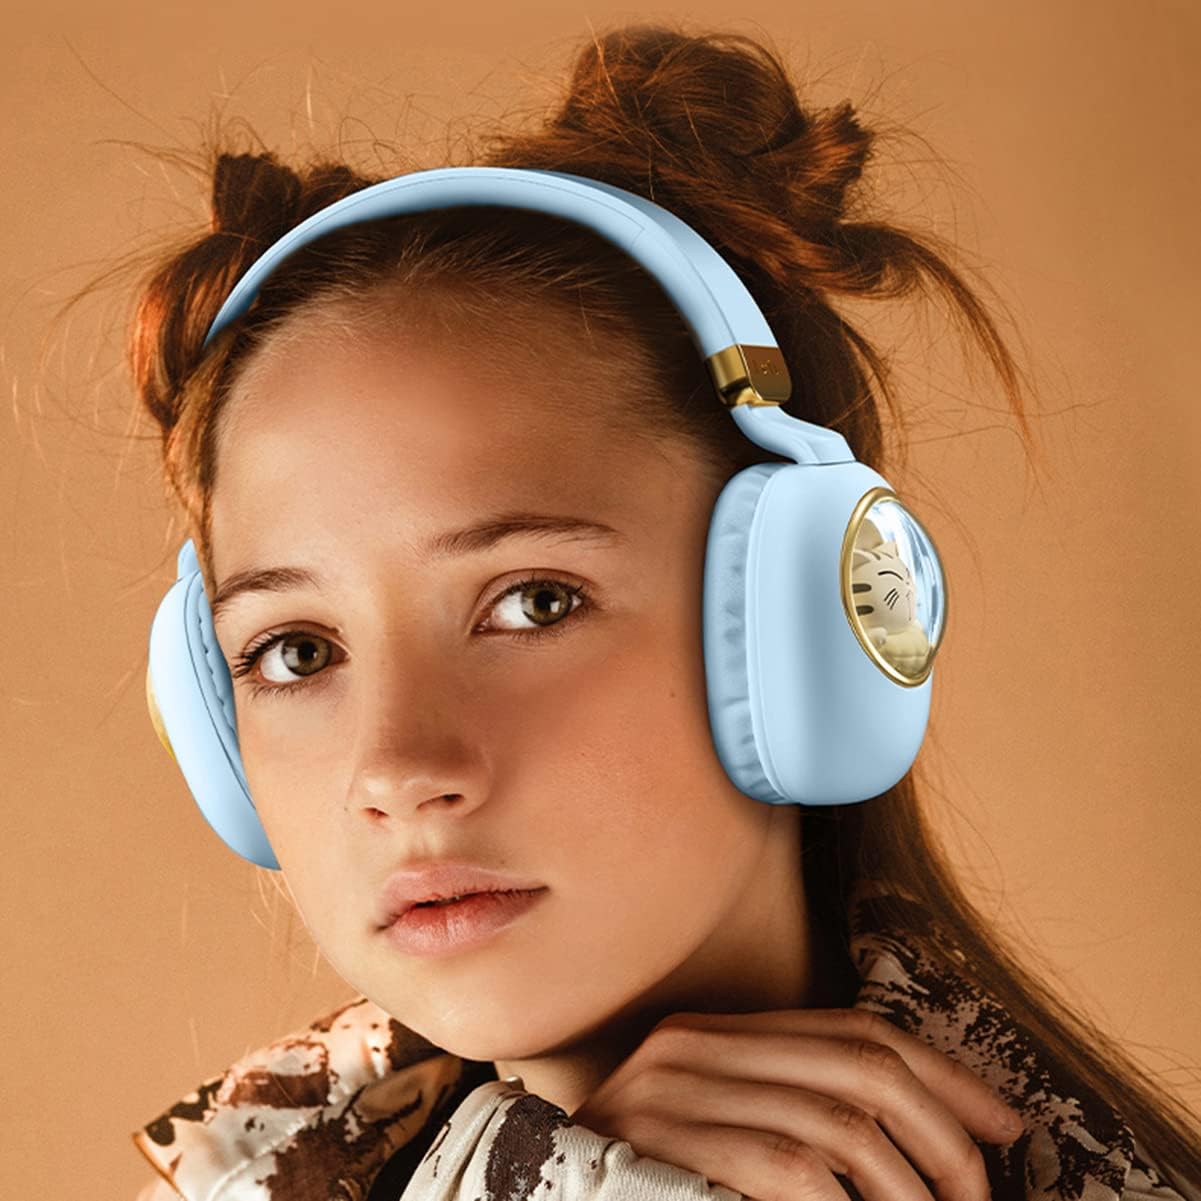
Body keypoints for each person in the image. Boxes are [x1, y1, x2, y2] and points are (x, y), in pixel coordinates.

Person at [117, 22, 1201, 1201]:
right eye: (295, 649)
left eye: (532, 602)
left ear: (813, 621)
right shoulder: (278, 1153)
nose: (398, 768)